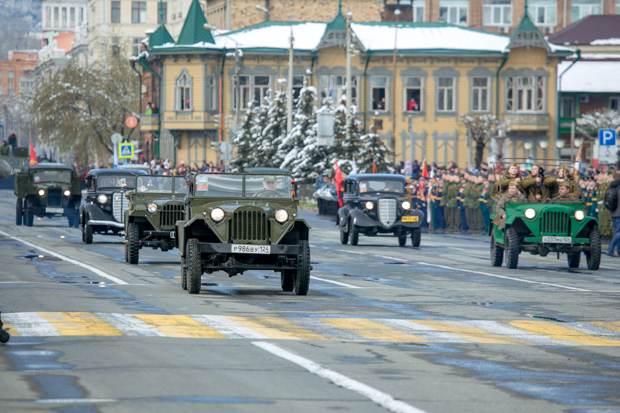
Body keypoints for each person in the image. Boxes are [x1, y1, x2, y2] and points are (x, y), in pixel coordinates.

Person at [604, 171, 620, 257]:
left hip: (613, 211)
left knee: (617, 232)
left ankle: (619, 251)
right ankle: (610, 249)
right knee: (618, 233)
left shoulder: (612, 186)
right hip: (619, 212)